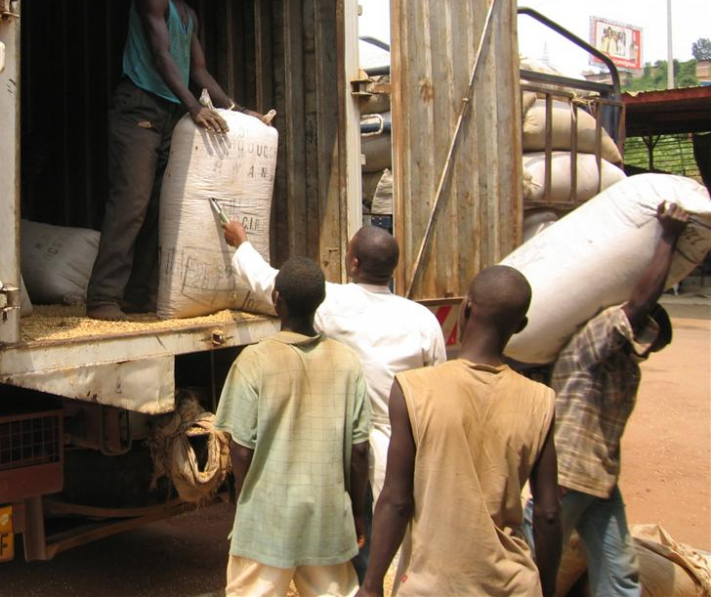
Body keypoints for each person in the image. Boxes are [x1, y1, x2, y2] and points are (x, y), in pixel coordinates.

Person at [221, 221, 445, 579]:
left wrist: (242, 244)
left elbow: (271, 281)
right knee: (401, 555)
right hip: (408, 449)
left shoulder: (335, 303)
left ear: (353, 264)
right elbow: (437, 390)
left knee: (362, 550)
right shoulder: (423, 320)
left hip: (356, 445)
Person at [86, 0, 266, 320]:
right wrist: (194, 106)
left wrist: (237, 108)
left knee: (158, 207)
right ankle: (103, 298)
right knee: (131, 202)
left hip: (169, 113)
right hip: (138, 105)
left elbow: (197, 70)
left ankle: (136, 296)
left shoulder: (189, 14)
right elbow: (161, 55)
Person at [359, 265, 562, 597]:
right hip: (512, 585)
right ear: (521, 326)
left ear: (465, 307)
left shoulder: (414, 389)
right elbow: (548, 512)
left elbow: (396, 501)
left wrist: (371, 585)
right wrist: (549, 590)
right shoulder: (541, 401)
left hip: (433, 584)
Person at [525, 201, 689, 597]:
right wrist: (667, 237)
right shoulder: (593, 346)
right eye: (651, 341)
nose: (648, 350)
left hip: (600, 479)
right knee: (529, 569)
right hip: (566, 478)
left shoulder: (623, 365)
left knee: (620, 572)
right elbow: (639, 306)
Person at [214, 257, 371, 597]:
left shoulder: (253, 361)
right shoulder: (347, 362)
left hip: (266, 517)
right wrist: (356, 512)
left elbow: (241, 450)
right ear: (320, 302)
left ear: (276, 298)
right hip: (328, 515)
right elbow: (360, 451)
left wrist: (244, 501)